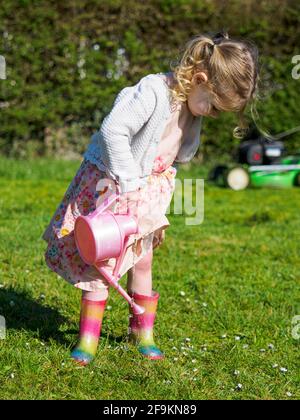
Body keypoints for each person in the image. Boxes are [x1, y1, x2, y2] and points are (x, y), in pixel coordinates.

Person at [42, 31, 259, 365]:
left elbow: (169, 159)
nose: (213, 115)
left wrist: (154, 201)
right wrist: (128, 181)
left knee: (142, 259)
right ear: (200, 79)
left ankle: (141, 332)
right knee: (102, 260)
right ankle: (88, 339)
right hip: (112, 185)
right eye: (215, 107)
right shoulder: (153, 91)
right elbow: (113, 130)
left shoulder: (192, 107)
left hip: (147, 193)